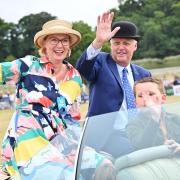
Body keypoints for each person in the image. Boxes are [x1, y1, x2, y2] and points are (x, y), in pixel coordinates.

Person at [0, 19, 112, 179]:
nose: (60, 45)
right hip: (29, 132)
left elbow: (72, 117)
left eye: (64, 40)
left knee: (103, 165)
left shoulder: (75, 76)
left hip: (62, 135)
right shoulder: (27, 65)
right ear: (43, 44)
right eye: (54, 40)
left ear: (69, 46)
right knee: (59, 173)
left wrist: (80, 147)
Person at [76, 11, 151, 117]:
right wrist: (98, 42)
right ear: (111, 45)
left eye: (126, 43)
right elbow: (82, 69)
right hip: (105, 131)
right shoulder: (100, 61)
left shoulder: (144, 74)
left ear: (135, 46)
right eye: (116, 43)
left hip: (137, 130)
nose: (121, 48)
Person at [126, 77, 180, 154]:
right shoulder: (133, 125)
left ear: (163, 98)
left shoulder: (176, 119)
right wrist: (154, 117)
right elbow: (141, 147)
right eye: (140, 96)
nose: (145, 99)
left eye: (151, 94)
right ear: (136, 103)